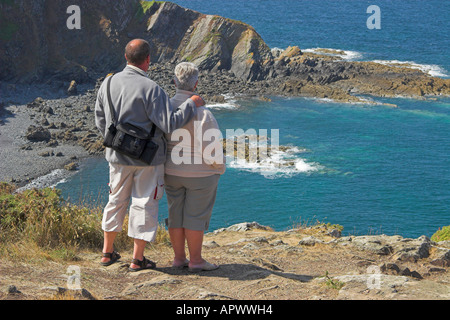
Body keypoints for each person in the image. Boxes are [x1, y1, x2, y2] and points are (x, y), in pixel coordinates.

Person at [95, 39, 205, 272]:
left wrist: (116, 141)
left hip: (116, 155)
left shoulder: (107, 83)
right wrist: (191, 104)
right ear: (147, 60)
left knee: (115, 201)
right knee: (144, 203)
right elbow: (169, 123)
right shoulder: (153, 89)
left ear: (126, 57)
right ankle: (137, 259)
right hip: (148, 158)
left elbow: (100, 120)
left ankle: (107, 252)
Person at [165, 62, 225, 272]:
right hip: (200, 175)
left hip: (171, 171)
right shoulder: (204, 113)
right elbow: (212, 149)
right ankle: (196, 261)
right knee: (195, 217)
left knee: (176, 214)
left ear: (174, 82)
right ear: (196, 84)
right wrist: (219, 168)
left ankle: (179, 258)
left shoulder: (165, 108)